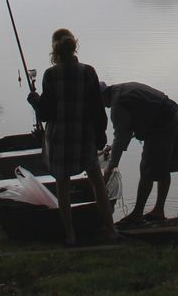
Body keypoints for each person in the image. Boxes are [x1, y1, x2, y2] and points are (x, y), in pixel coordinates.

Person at [27, 28, 117, 245]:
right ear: (74, 46)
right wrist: (101, 134)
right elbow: (97, 109)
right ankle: (111, 230)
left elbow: (46, 113)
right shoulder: (88, 72)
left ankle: (70, 236)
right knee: (97, 182)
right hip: (84, 136)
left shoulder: (50, 75)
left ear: (55, 49)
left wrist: (34, 99)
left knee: (63, 186)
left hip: (59, 139)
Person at [100, 81, 178, 225]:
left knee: (147, 168)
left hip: (163, 123)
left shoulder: (118, 104)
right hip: (173, 115)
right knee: (164, 166)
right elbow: (127, 130)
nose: (101, 107)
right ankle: (158, 211)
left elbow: (121, 136)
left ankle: (138, 214)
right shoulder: (121, 90)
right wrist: (113, 146)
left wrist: (110, 167)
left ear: (101, 96)